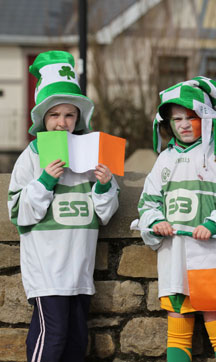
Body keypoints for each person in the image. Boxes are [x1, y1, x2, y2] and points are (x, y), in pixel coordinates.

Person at [7, 50, 119, 361]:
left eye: (69, 115)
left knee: (74, 342)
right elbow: (19, 214)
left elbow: (106, 213)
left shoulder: (93, 152)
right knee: (52, 337)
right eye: (55, 115)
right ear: (43, 118)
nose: (62, 123)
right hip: (47, 271)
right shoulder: (30, 156)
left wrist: (105, 183)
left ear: (78, 118)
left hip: (79, 271)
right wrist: (44, 181)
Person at [136, 76, 216, 362]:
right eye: (177, 118)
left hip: (212, 254)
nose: (184, 124)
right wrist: (154, 223)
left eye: (192, 116)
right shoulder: (163, 159)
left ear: (208, 117)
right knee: (177, 327)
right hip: (175, 255)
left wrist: (214, 224)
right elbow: (147, 203)